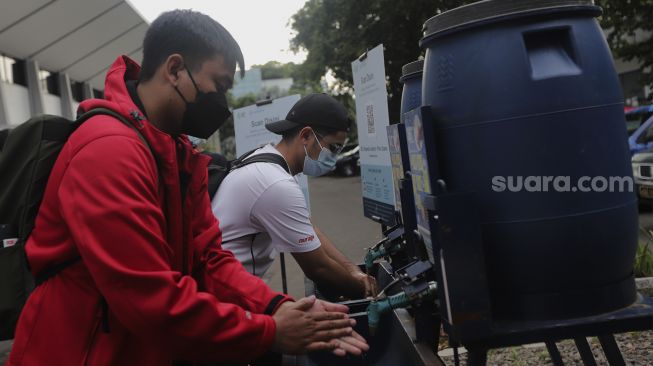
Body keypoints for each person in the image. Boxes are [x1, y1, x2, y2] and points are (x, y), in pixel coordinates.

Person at [7, 10, 367, 365]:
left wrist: (279, 307)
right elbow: (148, 298)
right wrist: (269, 331)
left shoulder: (178, 154)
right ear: (175, 69)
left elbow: (208, 258)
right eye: (219, 85)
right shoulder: (108, 151)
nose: (221, 103)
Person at [212, 93, 377, 299]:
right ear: (306, 136)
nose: (334, 158)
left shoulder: (267, 161)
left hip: (224, 287)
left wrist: (352, 270)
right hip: (223, 298)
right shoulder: (275, 183)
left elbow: (309, 227)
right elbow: (318, 268)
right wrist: (365, 292)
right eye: (334, 147)